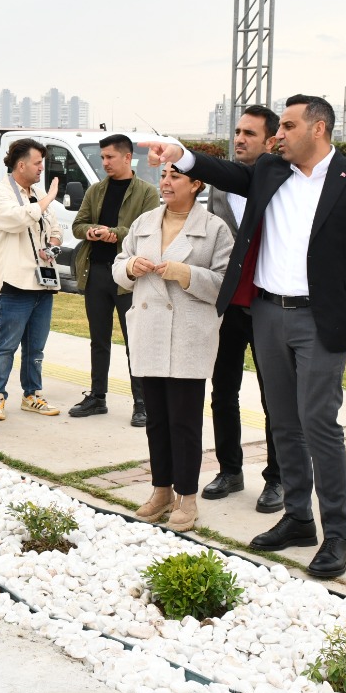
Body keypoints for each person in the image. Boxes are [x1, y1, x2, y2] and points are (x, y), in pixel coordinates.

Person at [150, 94, 346, 579]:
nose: (278, 135)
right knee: (283, 422)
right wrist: (179, 155)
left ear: (319, 129)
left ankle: (338, 536)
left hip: (319, 322)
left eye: (287, 126)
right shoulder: (270, 171)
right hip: (267, 312)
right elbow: (225, 172)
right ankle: (298, 518)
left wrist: (343, 293)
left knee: (319, 424)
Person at [113, 164, 232, 531]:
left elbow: (225, 285)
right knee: (157, 421)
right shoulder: (144, 221)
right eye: (163, 175)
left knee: (185, 422)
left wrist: (185, 274)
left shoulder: (214, 229)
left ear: (196, 184)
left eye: (175, 176)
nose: (165, 182)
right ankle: (161, 490)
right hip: (149, 330)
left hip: (188, 334)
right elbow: (118, 267)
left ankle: (188, 497)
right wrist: (132, 265)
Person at [203, 106, 285, 513]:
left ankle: (277, 478)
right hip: (227, 307)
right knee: (223, 392)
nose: (239, 139)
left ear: (270, 141)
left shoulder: (284, 183)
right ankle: (230, 470)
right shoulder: (219, 187)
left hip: (269, 305)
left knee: (275, 398)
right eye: (236, 131)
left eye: (249, 133)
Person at [69, 134, 159, 427]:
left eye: (109, 157)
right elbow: (77, 226)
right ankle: (97, 396)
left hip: (129, 277)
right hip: (96, 272)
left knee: (136, 341)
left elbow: (146, 229)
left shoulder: (147, 192)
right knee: (99, 339)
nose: (104, 162)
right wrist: (93, 231)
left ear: (126, 157)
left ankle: (142, 403)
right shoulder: (96, 190)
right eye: (103, 157)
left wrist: (116, 233)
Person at [0, 138, 63, 420]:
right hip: (14, 284)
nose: (42, 168)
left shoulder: (36, 193)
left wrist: (52, 245)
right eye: (37, 162)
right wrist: (47, 200)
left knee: (36, 347)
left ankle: (32, 395)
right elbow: (18, 219)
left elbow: (54, 228)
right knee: (6, 345)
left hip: (42, 282)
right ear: (21, 165)